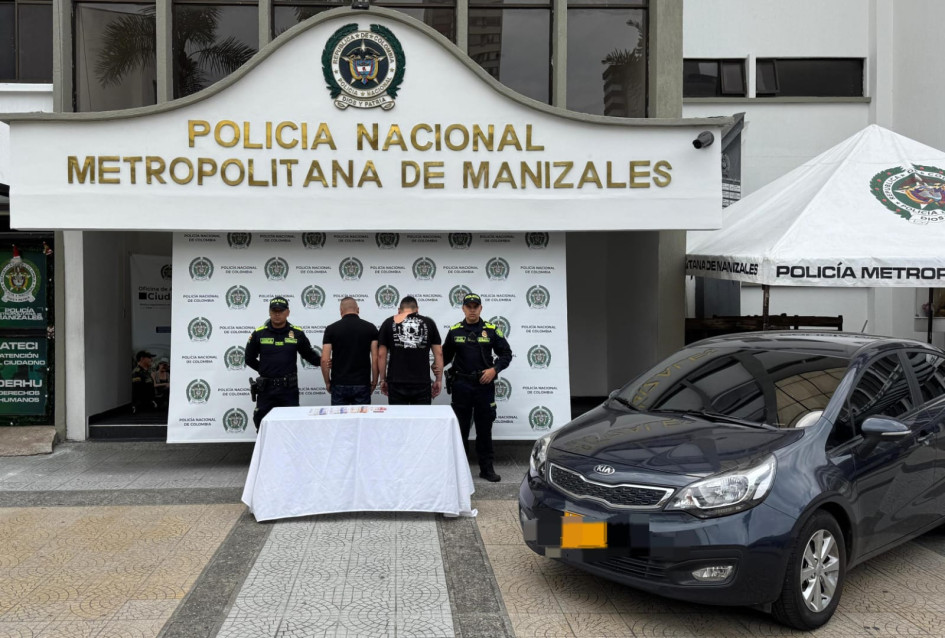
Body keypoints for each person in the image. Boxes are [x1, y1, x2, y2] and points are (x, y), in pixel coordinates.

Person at [442, 293, 513, 482]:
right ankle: (460, 470)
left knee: (484, 429)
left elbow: (506, 354)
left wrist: (494, 370)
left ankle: (486, 469)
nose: (472, 309)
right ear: (463, 309)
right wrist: (435, 366)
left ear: (481, 308)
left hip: (484, 385)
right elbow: (444, 356)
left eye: (475, 306)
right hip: (461, 385)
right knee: (461, 430)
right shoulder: (455, 331)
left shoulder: (490, 329)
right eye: (468, 306)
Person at [244, 296, 320, 431]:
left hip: (288, 389)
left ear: (288, 312)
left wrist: (326, 362)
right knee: (262, 423)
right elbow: (249, 359)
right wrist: (264, 370)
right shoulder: (259, 333)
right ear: (269, 312)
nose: (277, 314)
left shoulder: (297, 333)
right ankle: (266, 451)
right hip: (266, 389)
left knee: (291, 424)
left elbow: (310, 356)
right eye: (274, 311)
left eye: (281, 311)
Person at [377, 296, 443, 405]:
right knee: (421, 421)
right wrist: (439, 380)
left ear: (399, 310)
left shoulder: (388, 323)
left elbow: (381, 355)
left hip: (396, 381)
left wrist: (383, 379)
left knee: (398, 421)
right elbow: (439, 353)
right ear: (417, 309)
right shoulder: (429, 323)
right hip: (422, 382)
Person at [321, 297, 379, 405]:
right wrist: (375, 381)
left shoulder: (331, 329)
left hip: (339, 384)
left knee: (340, 420)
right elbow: (375, 358)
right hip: (362, 383)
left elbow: (324, 360)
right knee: (361, 421)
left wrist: (327, 382)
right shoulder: (370, 328)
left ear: (341, 311)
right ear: (358, 309)